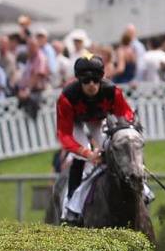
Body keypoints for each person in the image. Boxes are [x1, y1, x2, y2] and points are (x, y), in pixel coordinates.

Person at [54, 55, 137, 225]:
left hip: (99, 120)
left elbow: (127, 114)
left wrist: (123, 127)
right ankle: (70, 206)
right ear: (79, 81)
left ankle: (141, 187)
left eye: (95, 80)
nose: (91, 85)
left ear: (101, 79)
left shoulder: (112, 91)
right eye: (86, 81)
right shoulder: (67, 98)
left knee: (121, 144)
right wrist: (88, 153)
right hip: (76, 122)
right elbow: (64, 135)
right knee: (82, 153)